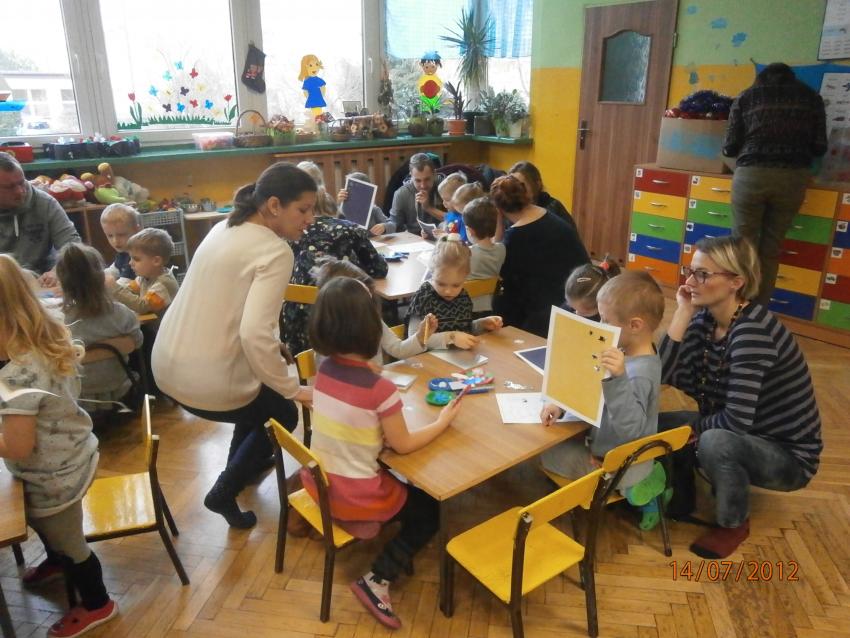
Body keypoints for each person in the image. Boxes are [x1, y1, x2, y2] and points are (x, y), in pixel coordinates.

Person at [152, 162, 316, 529]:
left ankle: (241, 466)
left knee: (259, 400)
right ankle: (224, 490)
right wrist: (293, 388)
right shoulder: (276, 250)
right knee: (283, 412)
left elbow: (233, 310)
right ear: (274, 205)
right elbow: (254, 333)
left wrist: (273, 352)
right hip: (204, 379)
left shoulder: (223, 227)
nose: (309, 219)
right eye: (303, 209)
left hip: (165, 366)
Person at [305, 277, 461, 629]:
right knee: (431, 511)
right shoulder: (380, 388)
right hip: (354, 496)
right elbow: (403, 445)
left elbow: (353, 418)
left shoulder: (324, 369)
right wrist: (442, 421)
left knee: (407, 485)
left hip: (322, 484)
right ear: (370, 327)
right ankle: (377, 579)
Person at [660, 235, 822, 558]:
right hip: (741, 429)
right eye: (690, 272)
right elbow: (662, 374)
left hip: (788, 455)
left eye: (703, 274)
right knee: (659, 426)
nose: (689, 283)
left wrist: (694, 431)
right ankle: (682, 496)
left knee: (714, 441)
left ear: (736, 282)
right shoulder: (705, 320)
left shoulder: (752, 333)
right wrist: (681, 313)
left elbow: (735, 421)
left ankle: (733, 523)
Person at [0, 254, 118, 637]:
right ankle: (56, 558)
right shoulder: (35, 339)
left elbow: (17, 447)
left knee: (71, 543)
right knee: (44, 525)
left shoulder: (21, 374)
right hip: (70, 451)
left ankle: (99, 603)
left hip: (55, 475)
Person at [540, 271, 667, 530]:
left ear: (635, 325)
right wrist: (559, 405)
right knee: (555, 443)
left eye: (606, 321)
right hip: (607, 447)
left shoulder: (640, 373)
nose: (600, 325)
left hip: (619, 463)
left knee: (547, 455)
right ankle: (638, 480)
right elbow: (590, 382)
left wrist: (618, 378)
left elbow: (631, 430)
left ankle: (638, 487)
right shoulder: (624, 350)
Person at [723, 62, 827, 305]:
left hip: (752, 176)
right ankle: (758, 311)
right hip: (792, 178)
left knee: (743, 247)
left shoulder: (747, 97)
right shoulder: (811, 98)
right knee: (771, 249)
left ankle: (736, 307)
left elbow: (729, 146)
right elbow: (820, 147)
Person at [280, 178, 388, 357]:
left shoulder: (291, 232)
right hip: (337, 316)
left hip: (295, 320)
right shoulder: (348, 228)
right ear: (334, 208)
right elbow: (379, 269)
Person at [490, 174, 590, 337]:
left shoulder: (515, 237)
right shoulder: (549, 216)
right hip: (580, 295)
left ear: (498, 210)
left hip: (550, 311)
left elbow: (497, 266)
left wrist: (498, 226)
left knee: (502, 295)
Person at [55, 243, 143, 412]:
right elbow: (137, 342)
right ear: (101, 276)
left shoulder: (59, 322)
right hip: (120, 391)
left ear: (62, 282)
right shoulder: (121, 313)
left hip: (79, 397)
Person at [314, 258, 435, 366]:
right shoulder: (326, 335)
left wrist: (420, 337)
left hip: (375, 382)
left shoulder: (372, 319)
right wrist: (364, 369)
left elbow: (397, 349)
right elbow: (328, 377)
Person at [407, 234, 502, 349]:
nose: (448, 291)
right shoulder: (424, 296)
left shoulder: (463, 296)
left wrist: (482, 324)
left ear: (465, 278)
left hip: (457, 357)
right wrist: (451, 337)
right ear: (432, 273)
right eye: (441, 284)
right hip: (427, 358)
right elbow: (414, 340)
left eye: (456, 285)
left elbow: (464, 329)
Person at [0, 152, 81, 285]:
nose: (20, 191)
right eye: (10, 187)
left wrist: (57, 271)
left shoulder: (45, 203)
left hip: (42, 282)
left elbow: (73, 246)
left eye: (21, 182)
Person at [107, 227, 179, 315]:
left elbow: (142, 306)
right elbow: (128, 290)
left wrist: (115, 289)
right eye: (130, 258)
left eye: (136, 259)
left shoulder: (163, 284)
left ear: (156, 261)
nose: (130, 263)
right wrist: (109, 291)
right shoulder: (144, 277)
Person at [381, 153, 445, 235]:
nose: (423, 185)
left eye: (427, 179)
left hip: (443, 237)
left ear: (434, 173)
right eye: (418, 180)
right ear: (411, 176)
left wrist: (428, 208)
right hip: (414, 239)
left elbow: (457, 219)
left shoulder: (445, 187)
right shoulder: (401, 194)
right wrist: (384, 227)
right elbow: (395, 224)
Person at [462, 196, 505, 314]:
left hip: (465, 307)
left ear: (470, 231)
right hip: (489, 307)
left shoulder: (466, 254)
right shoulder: (501, 249)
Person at [509, 160, 577, 233]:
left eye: (522, 185)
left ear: (537, 185)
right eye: (514, 186)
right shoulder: (511, 209)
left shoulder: (553, 208)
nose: (517, 191)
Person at [561, 257, 621, 322]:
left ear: (599, 306)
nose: (577, 313)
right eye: (570, 305)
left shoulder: (608, 318)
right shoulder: (574, 300)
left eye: (584, 313)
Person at [337, 171, 388, 236]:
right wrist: (339, 203)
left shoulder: (374, 210)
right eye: (349, 188)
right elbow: (333, 225)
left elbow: (390, 224)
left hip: (371, 241)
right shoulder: (343, 210)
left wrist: (384, 227)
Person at [100, 203, 141, 282]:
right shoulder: (124, 251)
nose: (115, 241)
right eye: (110, 236)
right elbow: (115, 269)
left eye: (121, 235)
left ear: (137, 230)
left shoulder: (137, 254)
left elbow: (125, 283)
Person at [436, 171, 468, 241]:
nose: (444, 203)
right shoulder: (450, 215)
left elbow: (463, 242)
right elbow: (447, 231)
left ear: (459, 198)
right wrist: (433, 234)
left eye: (447, 200)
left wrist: (446, 236)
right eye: (443, 200)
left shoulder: (465, 220)